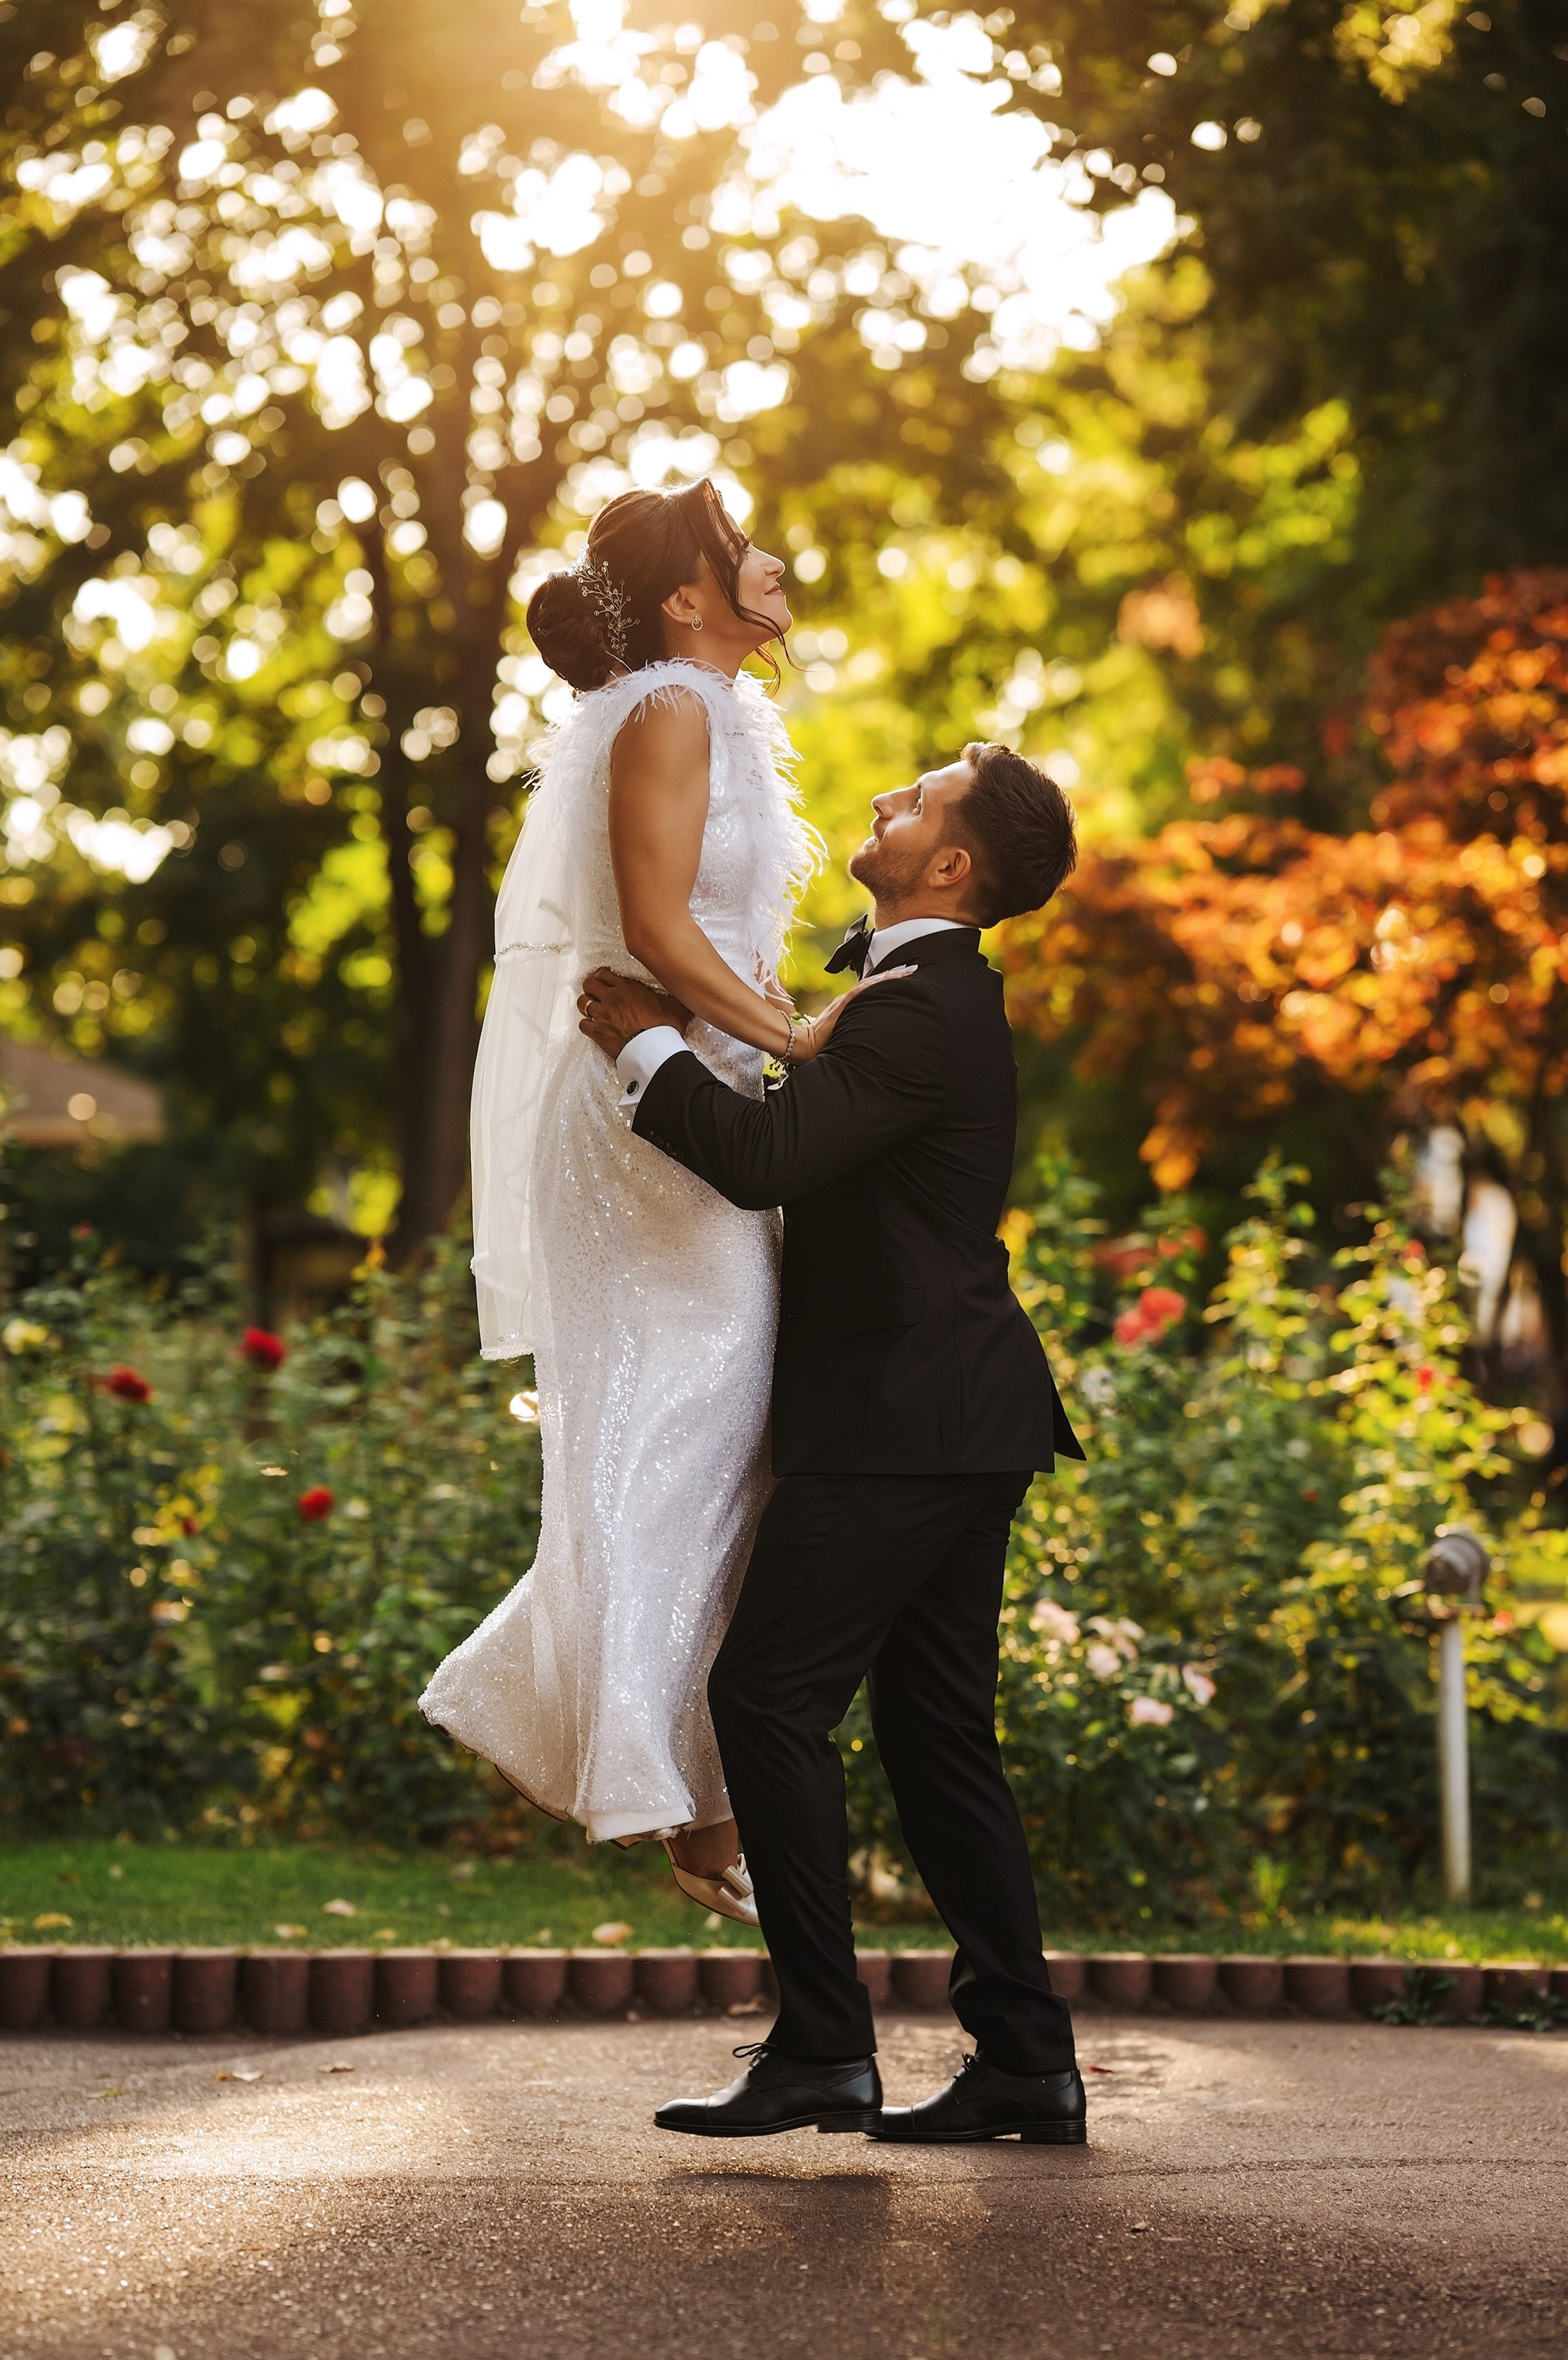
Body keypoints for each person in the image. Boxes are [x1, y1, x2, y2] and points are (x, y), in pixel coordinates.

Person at [578, 740, 1090, 2143]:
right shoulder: (905, 986)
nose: (885, 801)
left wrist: (642, 1044)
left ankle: (821, 2046)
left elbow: (763, 1163)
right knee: (938, 1745)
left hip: (907, 1419)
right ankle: (1028, 2067)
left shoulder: (918, 1009)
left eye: (916, 801)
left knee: (767, 1701)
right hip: (948, 1411)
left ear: (953, 867)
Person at [419, 480, 865, 1924]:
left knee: (722, 1437)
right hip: (649, 1115)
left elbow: (688, 934)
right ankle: (680, 1786)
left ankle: (692, 1786)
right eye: (743, 550)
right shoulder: (669, 709)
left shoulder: (696, 708)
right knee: (704, 1429)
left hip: (695, 1084)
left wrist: (761, 1035)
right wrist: (796, 1036)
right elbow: (662, 927)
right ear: (688, 599)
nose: (773, 562)